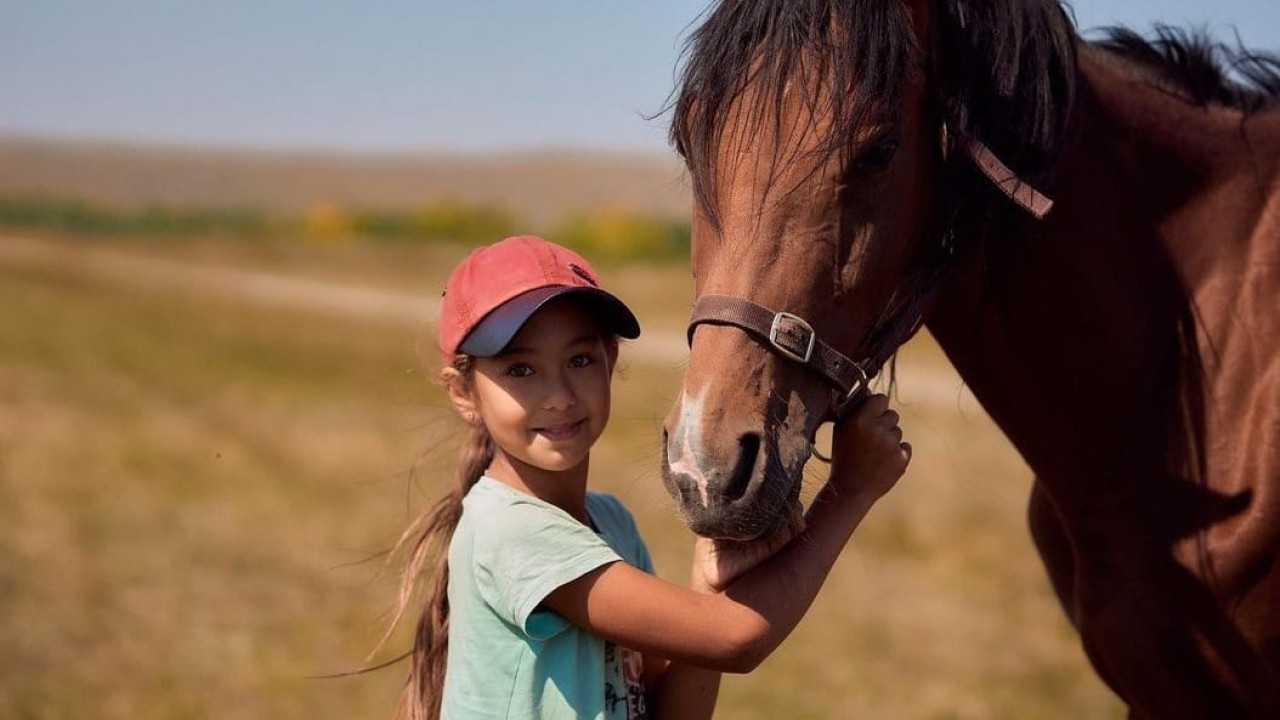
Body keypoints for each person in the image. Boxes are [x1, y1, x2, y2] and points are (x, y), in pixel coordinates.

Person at [386, 234, 911, 720]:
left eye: (581, 359)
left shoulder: (610, 522)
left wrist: (707, 584)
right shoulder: (513, 533)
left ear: (610, 360)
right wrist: (850, 492)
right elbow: (735, 640)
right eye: (520, 369)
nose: (561, 395)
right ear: (463, 392)